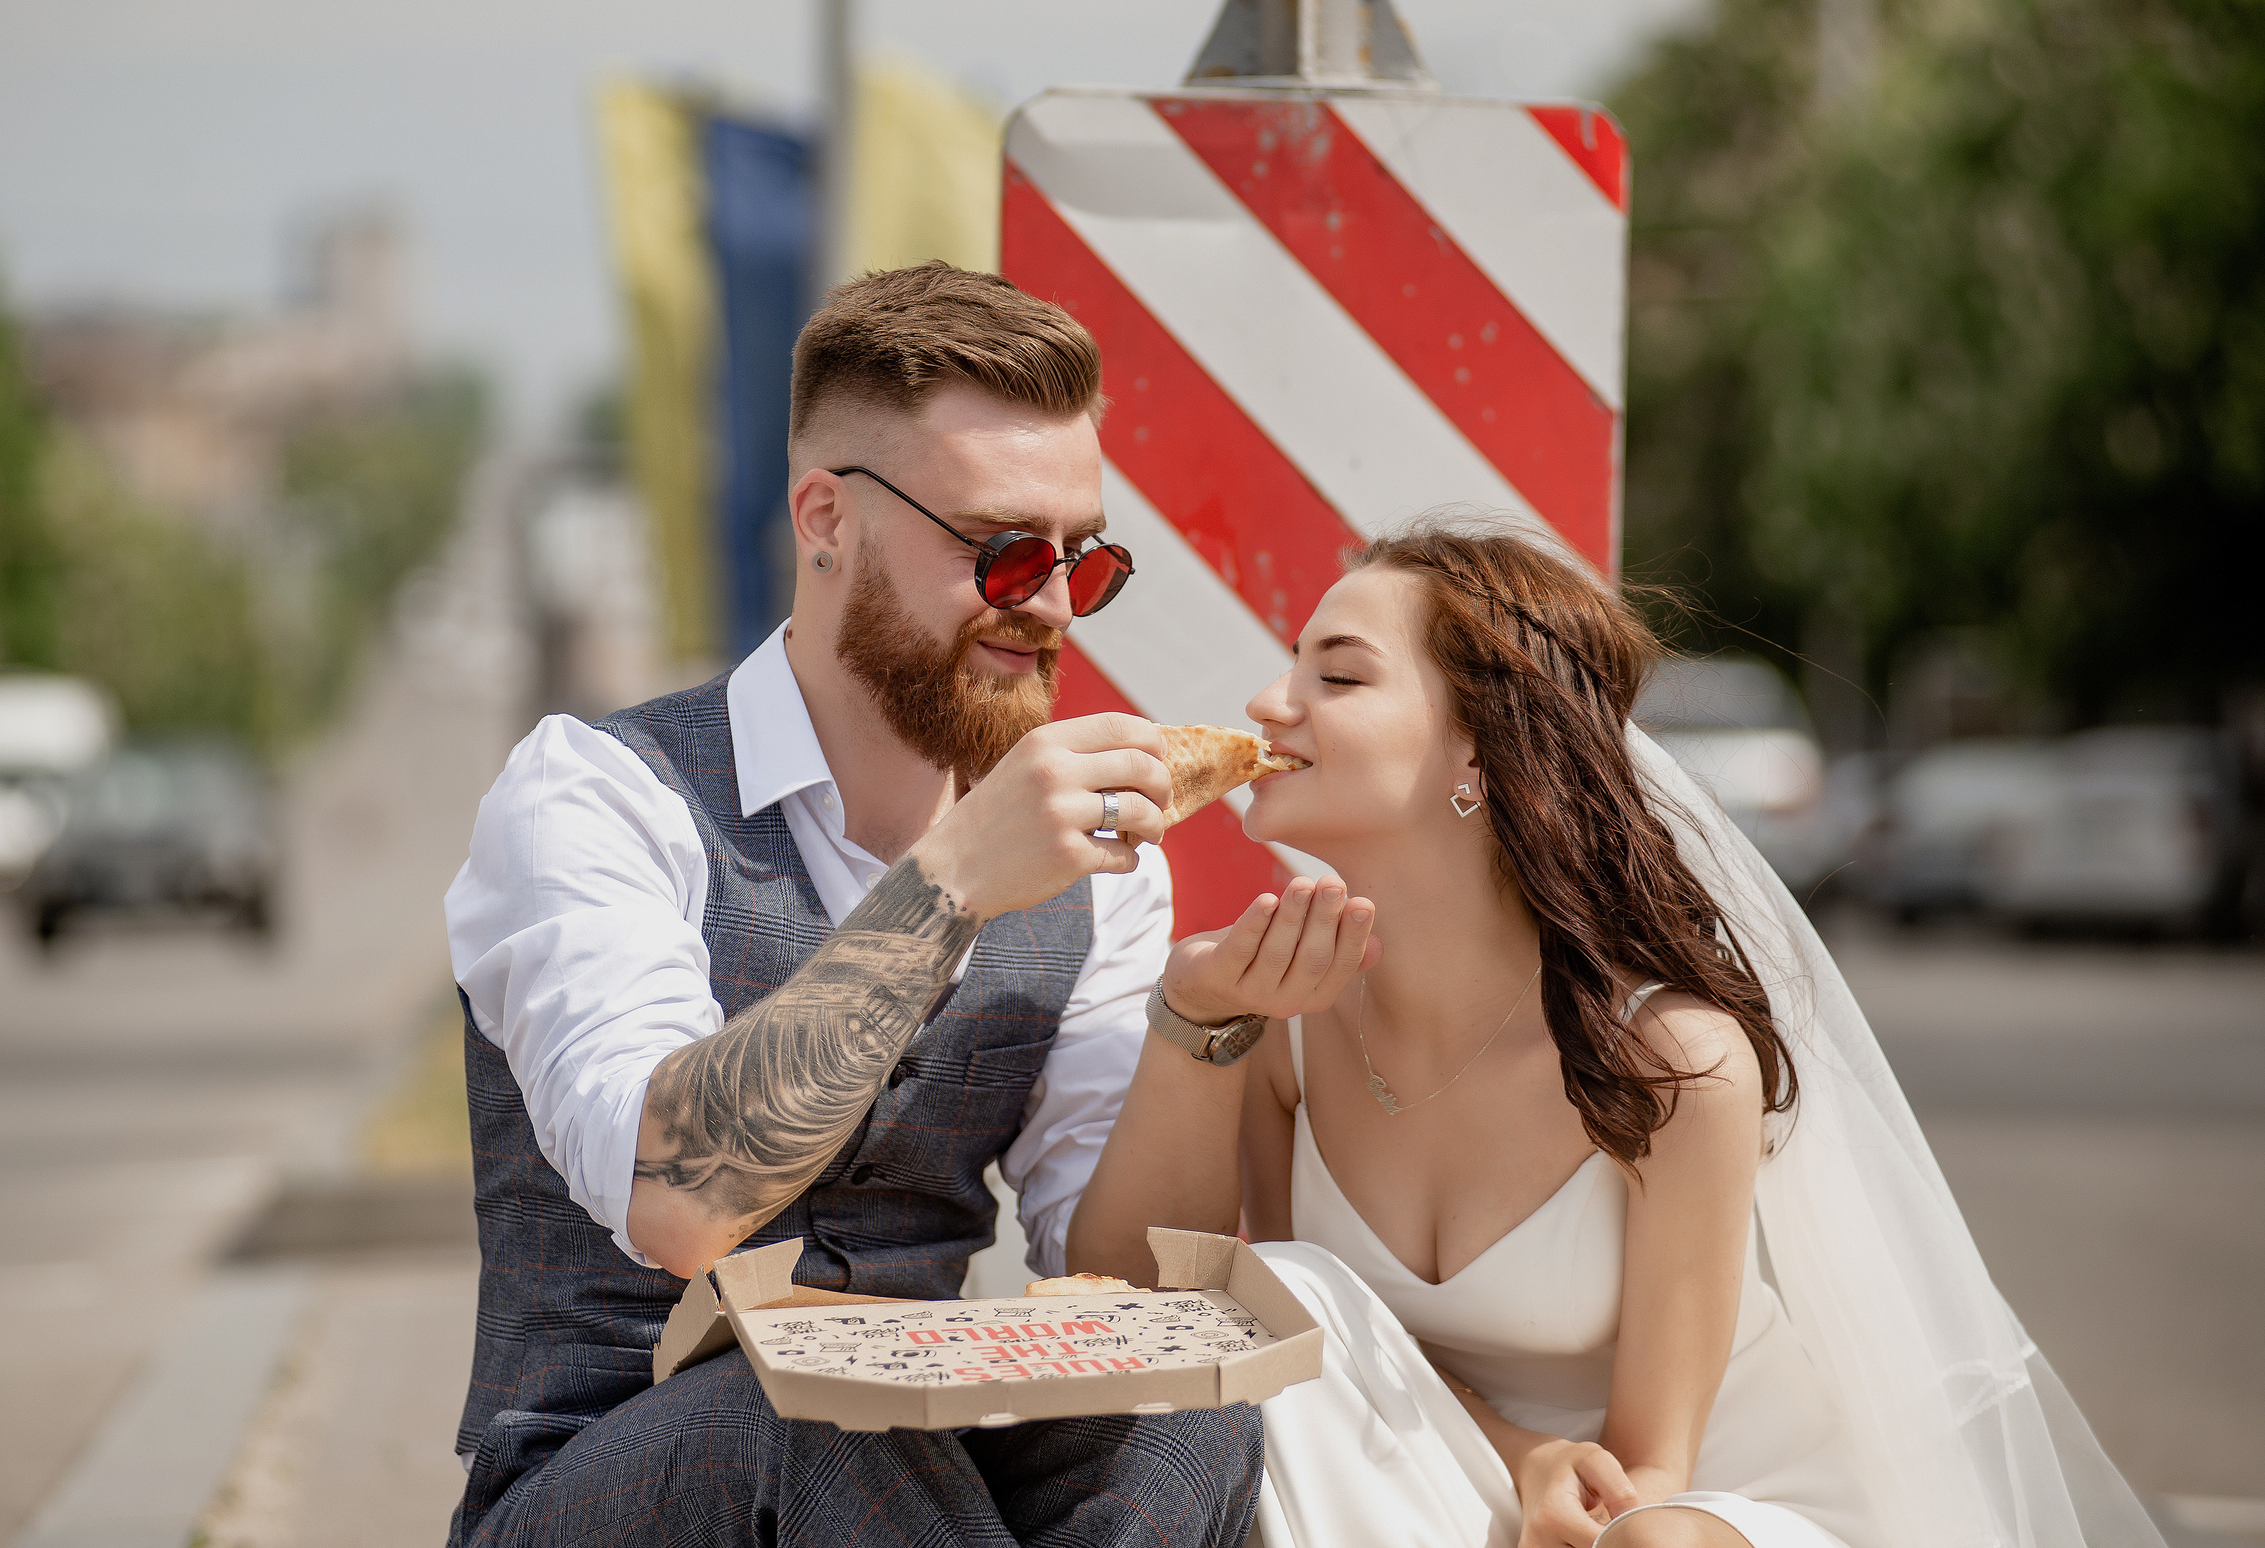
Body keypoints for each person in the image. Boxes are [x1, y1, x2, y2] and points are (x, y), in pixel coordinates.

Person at [1071, 525, 2167, 1548]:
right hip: (1425, 1488)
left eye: (1338, 675)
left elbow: (1640, 1478)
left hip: (1685, 1508)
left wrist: (1546, 1474)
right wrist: (1193, 1014)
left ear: (1479, 752)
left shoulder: (1675, 1061)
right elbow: (1194, 1326)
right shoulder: (1284, 1022)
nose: (1270, 701)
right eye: (1290, 665)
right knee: (1280, 1293)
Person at [441, 262, 1272, 1546]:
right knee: (805, 1416)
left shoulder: (1102, 872)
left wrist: (1198, 1024)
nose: (1046, 604)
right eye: (1000, 551)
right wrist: (946, 885)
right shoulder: (599, 796)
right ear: (826, 516)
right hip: (610, 1468)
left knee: (1194, 1410)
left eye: (1080, 559)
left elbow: (1120, 1284)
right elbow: (676, 1195)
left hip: (921, 1480)